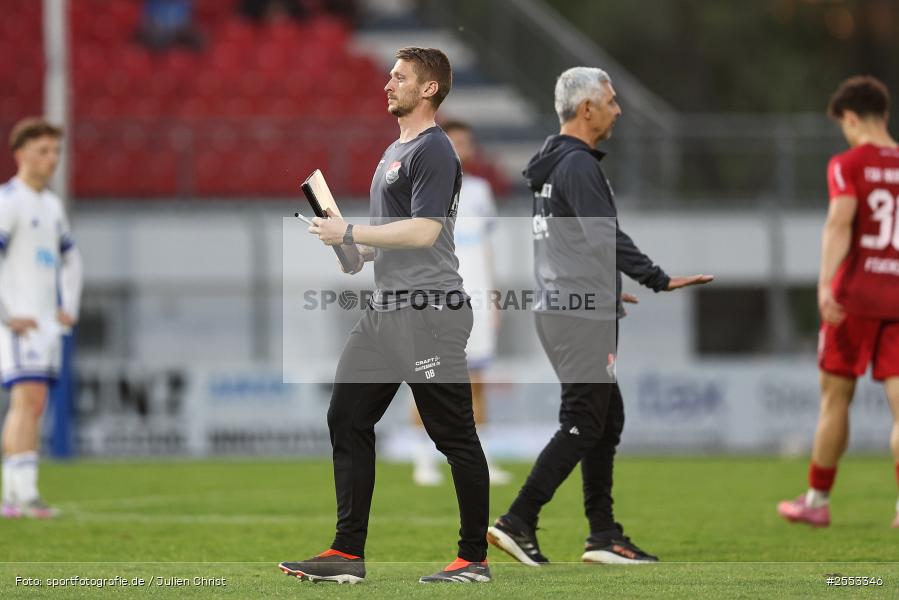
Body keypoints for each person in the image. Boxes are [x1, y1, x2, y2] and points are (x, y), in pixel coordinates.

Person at [278, 47, 492, 584]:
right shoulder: (393, 151)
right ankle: (347, 555)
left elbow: (424, 232)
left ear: (429, 89)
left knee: (453, 436)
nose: (387, 84)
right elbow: (382, 247)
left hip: (428, 312)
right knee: (346, 419)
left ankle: (473, 560)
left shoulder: (435, 150)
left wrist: (350, 232)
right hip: (385, 311)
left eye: (399, 77)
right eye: (389, 75)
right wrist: (343, 241)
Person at [485, 67, 712, 566]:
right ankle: (517, 520)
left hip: (569, 304)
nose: (618, 109)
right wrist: (656, 278)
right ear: (586, 109)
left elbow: (569, 241)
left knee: (605, 419)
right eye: (610, 100)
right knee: (585, 420)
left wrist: (605, 287)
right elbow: (601, 236)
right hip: (576, 312)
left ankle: (604, 535)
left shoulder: (556, 165)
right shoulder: (578, 166)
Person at [778, 76, 899, 528]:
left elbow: (839, 223)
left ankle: (817, 499)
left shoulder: (848, 164)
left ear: (851, 118)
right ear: (883, 114)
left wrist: (825, 284)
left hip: (855, 298)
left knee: (835, 401)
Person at [409, 119, 511, 487]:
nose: (460, 149)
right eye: (453, 142)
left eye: (466, 142)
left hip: (478, 298)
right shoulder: (419, 190)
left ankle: (481, 459)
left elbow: (486, 250)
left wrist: (494, 299)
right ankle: (423, 459)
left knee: (477, 382)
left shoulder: (481, 191)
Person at [0, 118, 83, 519]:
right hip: (17, 321)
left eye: (56, 151)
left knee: (34, 403)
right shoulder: (8, 201)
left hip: (46, 323)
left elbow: (71, 259)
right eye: (43, 151)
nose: (52, 159)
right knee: (25, 398)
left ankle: (18, 493)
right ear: (21, 154)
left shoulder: (51, 206)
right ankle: (19, 495)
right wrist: (6, 312)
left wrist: (69, 304)